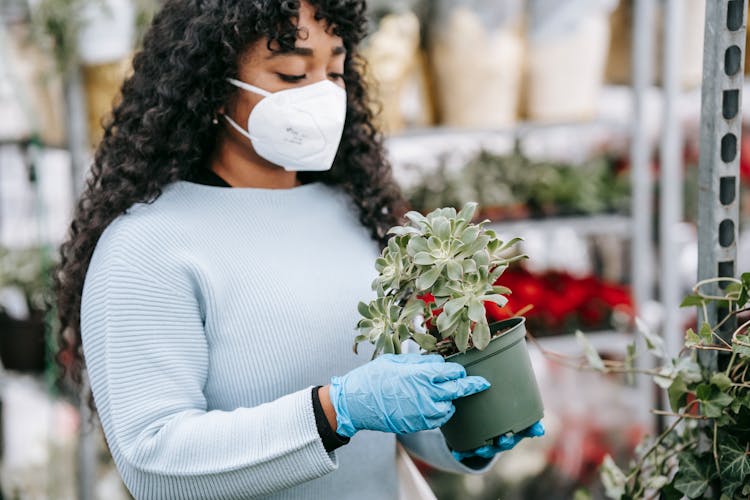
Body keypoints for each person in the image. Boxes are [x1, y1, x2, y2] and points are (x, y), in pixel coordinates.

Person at [54, 1, 543, 498]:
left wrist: (472, 431)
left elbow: (397, 415)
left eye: (334, 71)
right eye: (291, 73)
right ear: (212, 86)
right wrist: (335, 410)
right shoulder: (146, 247)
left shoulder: (355, 215)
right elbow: (153, 460)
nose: (322, 95)